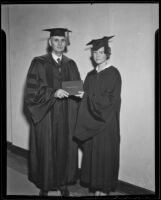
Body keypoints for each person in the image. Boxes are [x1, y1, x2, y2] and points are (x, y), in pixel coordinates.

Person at [24, 28, 81, 196]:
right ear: (50, 43)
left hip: (65, 115)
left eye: (62, 40)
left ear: (66, 43)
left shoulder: (70, 63)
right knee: (46, 149)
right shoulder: (39, 62)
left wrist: (79, 93)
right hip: (46, 114)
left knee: (65, 147)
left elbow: (76, 88)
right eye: (56, 40)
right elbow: (31, 91)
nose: (59, 43)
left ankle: (63, 183)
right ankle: (45, 184)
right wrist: (53, 92)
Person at [74, 36, 122, 196]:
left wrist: (86, 96)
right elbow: (85, 97)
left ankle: (105, 191)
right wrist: (76, 93)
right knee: (93, 154)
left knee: (105, 156)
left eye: (101, 52)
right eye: (95, 52)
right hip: (91, 122)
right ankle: (97, 190)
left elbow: (111, 101)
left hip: (107, 123)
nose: (97, 55)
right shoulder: (90, 75)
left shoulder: (114, 74)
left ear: (107, 54)